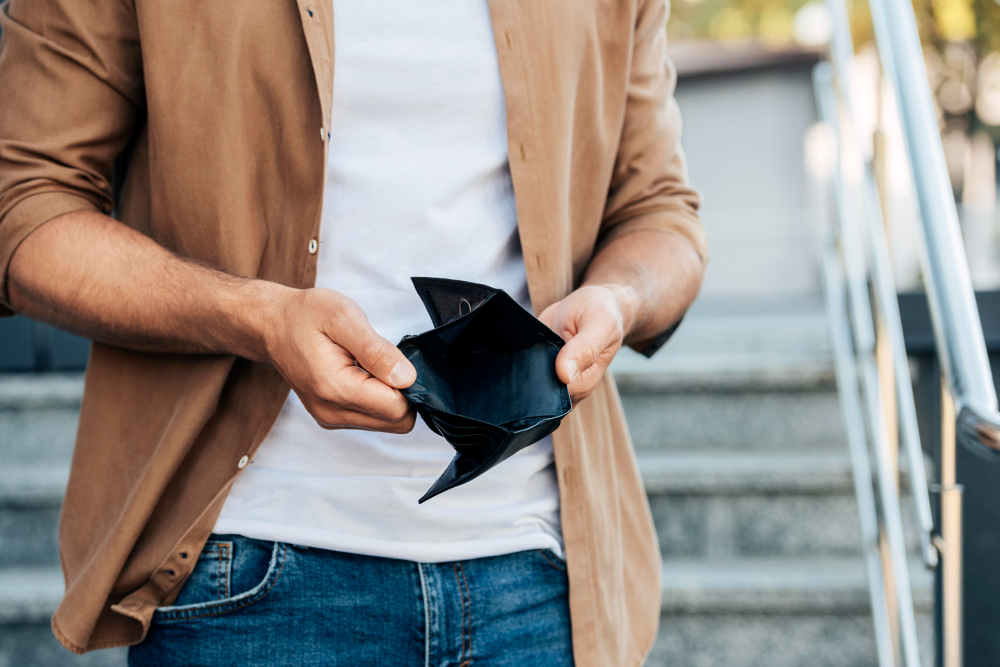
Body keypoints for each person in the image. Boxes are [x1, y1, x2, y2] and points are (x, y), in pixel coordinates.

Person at [0, 0, 707, 664]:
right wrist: (260, 319)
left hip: (541, 581)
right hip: (250, 573)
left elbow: (660, 212)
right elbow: (23, 204)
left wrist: (618, 297)